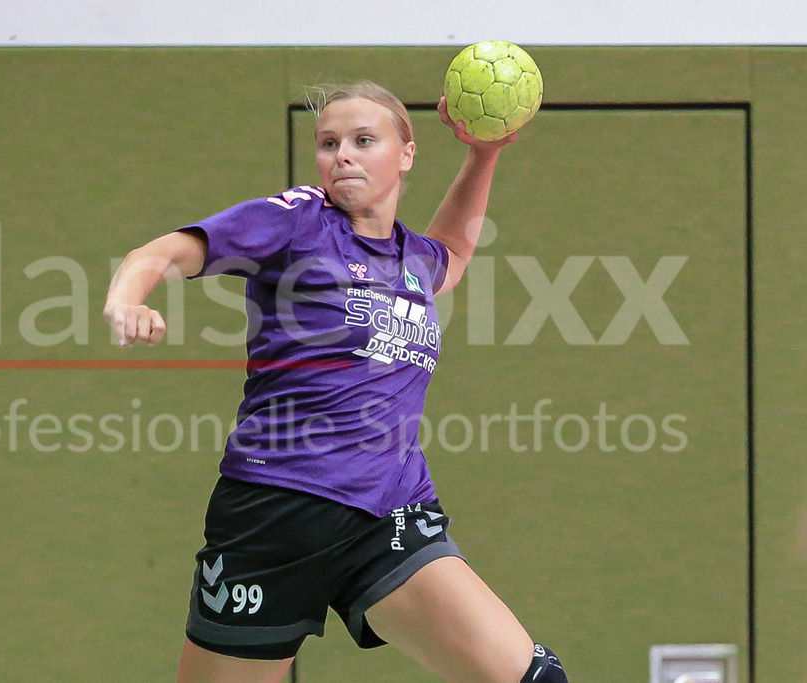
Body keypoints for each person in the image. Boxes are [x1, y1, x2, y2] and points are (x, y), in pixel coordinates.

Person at [104, 81, 567, 683]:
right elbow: (165, 251)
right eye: (329, 143)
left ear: (406, 153)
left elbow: (451, 254)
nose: (342, 155)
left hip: (389, 511)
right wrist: (127, 299)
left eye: (363, 140)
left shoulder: (412, 258)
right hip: (276, 513)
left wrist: (483, 154)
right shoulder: (296, 220)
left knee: (531, 677)